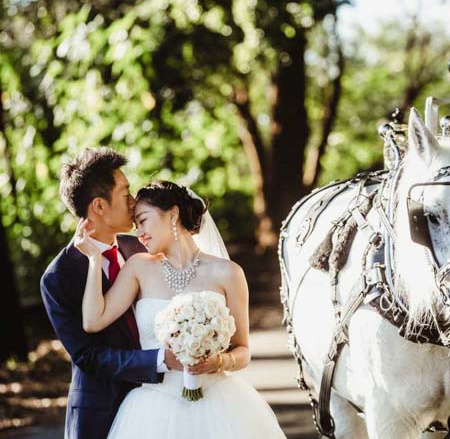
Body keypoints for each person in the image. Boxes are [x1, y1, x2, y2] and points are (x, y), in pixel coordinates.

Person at [75, 179, 286, 438]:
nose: (138, 231)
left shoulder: (228, 273)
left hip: (220, 404)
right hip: (153, 409)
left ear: (173, 214)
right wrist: (94, 260)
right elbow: (93, 320)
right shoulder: (139, 267)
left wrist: (219, 361)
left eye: (143, 220)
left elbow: (243, 350)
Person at [40, 147, 179, 439]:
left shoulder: (141, 247)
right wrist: (158, 360)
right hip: (102, 414)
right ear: (99, 206)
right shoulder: (57, 278)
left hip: (164, 404)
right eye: (125, 192)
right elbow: (88, 356)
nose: (134, 201)